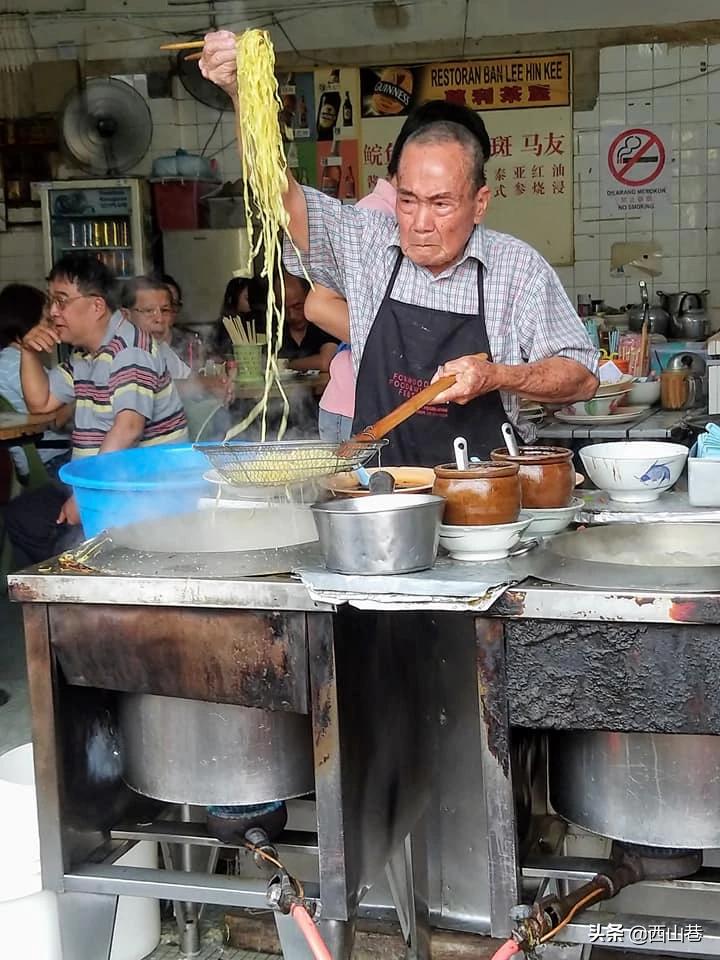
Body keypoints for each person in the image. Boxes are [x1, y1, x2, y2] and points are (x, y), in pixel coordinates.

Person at [201, 31, 598, 466]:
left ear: (480, 203)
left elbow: (580, 378)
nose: (420, 223)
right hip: (380, 490)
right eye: (408, 201)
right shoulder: (367, 243)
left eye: (441, 204)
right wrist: (243, 93)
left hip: (485, 490)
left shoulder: (517, 269)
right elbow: (279, 192)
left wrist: (496, 375)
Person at [312, 99, 492, 442]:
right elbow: (318, 305)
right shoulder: (376, 216)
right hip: (357, 407)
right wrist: (410, 350)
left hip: (403, 407)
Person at [5, 254, 188, 566]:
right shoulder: (86, 355)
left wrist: (86, 496)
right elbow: (42, 402)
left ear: (97, 306)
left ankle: (86, 576)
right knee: (23, 516)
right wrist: (28, 351)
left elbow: (129, 429)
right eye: (51, 301)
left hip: (141, 492)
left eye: (62, 301)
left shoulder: (129, 349)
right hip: (102, 480)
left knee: (43, 529)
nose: (52, 312)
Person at [0, 284, 72, 481]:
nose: (54, 325)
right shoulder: (14, 364)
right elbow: (56, 420)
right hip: (51, 458)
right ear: (27, 324)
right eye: (47, 320)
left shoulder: (9, 359)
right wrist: (83, 394)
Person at [277, 271, 338, 373]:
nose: (292, 315)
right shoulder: (275, 330)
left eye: (297, 306)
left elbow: (326, 362)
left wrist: (287, 365)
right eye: (284, 309)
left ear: (309, 297)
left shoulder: (323, 324)